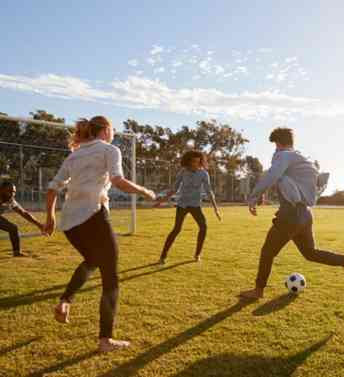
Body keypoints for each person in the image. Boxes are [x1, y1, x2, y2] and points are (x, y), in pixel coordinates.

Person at [45, 116, 156, 353]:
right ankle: (106, 340)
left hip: (70, 223)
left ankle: (65, 301)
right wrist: (146, 191)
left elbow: (52, 187)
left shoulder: (74, 155)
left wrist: (50, 217)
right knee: (111, 277)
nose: (114, 133)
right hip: (94, 216)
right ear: (106, 130)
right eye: (113, 129)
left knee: (92, 261)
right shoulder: (110, 150)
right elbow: (118, 181)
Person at [240, 128, 344, 299]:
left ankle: (258, 291)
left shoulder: (283, 156)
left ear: (278, 143)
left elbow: (272, 175)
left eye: (275, 145)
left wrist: (253, 196)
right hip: (305, 214)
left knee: (267, 252)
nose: (275, 150)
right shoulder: (303, 159)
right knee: (310, 253)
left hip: (290, 215)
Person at [155, 150, 222, 264]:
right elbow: (174, 189)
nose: (195, 164)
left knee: (203, 227)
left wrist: (216, 208)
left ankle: (197, 254)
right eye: (192, 162)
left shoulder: (203, 174)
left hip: (195, 205)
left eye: (197, 162)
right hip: (182, 205)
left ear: (200, 162)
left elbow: (209, 191)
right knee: (176, 229)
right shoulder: (183, 172)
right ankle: (163, 256)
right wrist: (162, 201)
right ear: (188, 161)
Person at [0, 181, 45, 256]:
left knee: (13, 228)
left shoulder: (10, 200)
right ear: (1, 189)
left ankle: (17, 252)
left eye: (14, 192)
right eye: (9, 191)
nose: (12, 194)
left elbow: (23, 213)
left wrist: (39, 225)